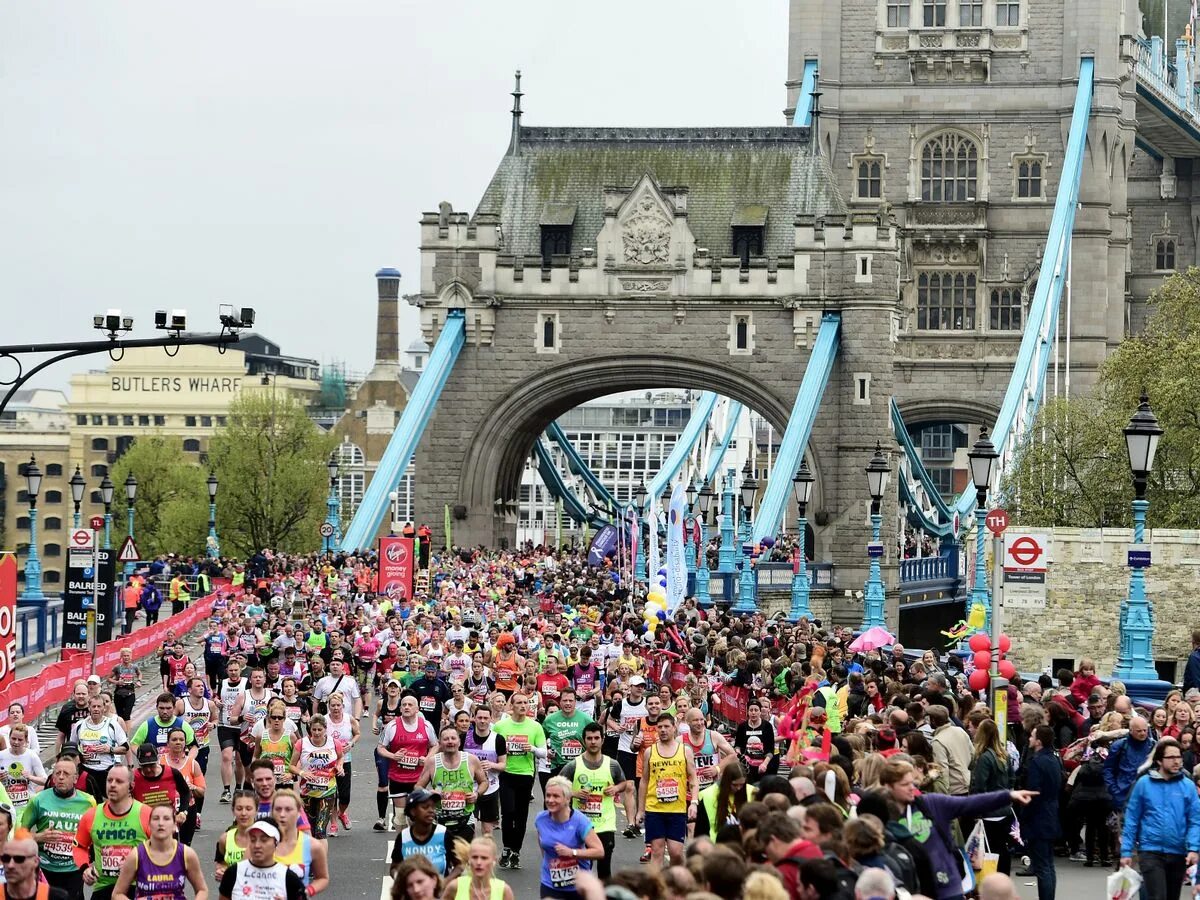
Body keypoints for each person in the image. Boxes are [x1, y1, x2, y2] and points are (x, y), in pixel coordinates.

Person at [878, 758, 1036, 900]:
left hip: (947, 885)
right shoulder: (880, 813)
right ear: (887, 786)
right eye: (905, 785)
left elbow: (970, 803)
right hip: (911, 889)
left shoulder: (931, 803)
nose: (912, 788)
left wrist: (1008, 796)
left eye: (913, 783)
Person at [1120, 736, 1200, 900]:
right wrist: (1126, 851)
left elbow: (1195, 819)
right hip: (1150, 851)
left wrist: (1193, 848)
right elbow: (1132, 819)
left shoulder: (1188, 786)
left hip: (1178, 851)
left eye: (1178, 757)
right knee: (1158, 896)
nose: (1176, 761)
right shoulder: (1144, 784)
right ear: (1159, 761)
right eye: (1171, 757)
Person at [559, 721, 628, 879]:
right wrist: (575, 793)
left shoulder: (612, 764)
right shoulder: (573, 765)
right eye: (589, 738)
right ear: (584, 740)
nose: (593, 741)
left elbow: (624, 783)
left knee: (604, 869)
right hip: (580, 825)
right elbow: (556, 787)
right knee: (583, 870)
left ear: (602, 740)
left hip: (605, 824)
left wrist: (616, 789)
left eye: (596, 738)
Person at [19, 756, 95, 897]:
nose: (61, 777)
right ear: (52, 777)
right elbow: (19, 836)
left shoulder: (89, 802)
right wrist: (38, 837)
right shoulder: (38, 800)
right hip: (45, 868)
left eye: (66, 774)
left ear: (75, 778)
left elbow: (95, 836)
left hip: (74, 869)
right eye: (57, 773)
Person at [74, 766, 152, 900]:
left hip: (139, 888)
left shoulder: (146, 814)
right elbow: (79, 846)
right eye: (109, 780)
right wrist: (85, 868)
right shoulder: (91, 815)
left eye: (119, 781)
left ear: (131, 786)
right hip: (104, 887)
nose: (113, 785)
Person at [493, 693, 547, 870]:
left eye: (526, 703)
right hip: (507, 773)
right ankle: (507, 847)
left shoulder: (535, 726)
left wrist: (531, 748)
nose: (523, 706)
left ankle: (516, 851)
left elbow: (543, 752)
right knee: (508, 813)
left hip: (526, 774)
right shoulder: (501, 726)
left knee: (521, 816)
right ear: (512, 706)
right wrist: (502, 750)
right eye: (519, 703)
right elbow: (491, 747)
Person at [636, 712, 697, 871]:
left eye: (666, 727)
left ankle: (679, 883)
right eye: (660, 727)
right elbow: (644, 781)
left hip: (677, 809)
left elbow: (693, 779)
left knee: (676, 852)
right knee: (657, 851)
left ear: (674, 727)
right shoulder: (650, 752)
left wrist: (694, 803)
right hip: (654, 808)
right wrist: (640, 810)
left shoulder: (685, 751)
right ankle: (656, 890)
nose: (663, 730)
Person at [111, 802, 208, 900]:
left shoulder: (186, 854)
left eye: (166, 818)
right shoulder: (136, 855)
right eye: (156, 818)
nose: (161, 823)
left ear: (175, 825)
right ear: (149, 824)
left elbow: (202, 890)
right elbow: (117, 894)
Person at [416, 726, 489, 851]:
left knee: (462, 860)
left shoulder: (471, 760)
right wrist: (429, 794)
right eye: (446, 739)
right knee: (442, 860)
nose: (450, 741)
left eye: (453, 738)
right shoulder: (432, 762)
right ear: (440, 743)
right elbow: (417, 788)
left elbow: (484, 782)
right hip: (439, 820)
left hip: (465, 818)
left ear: (459, 742)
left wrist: (476, 794)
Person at [535, 776, 603, 900]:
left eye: (556, 796)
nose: (550, 800)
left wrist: (572, 852)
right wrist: (551, 862)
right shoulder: (540, 819)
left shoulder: (580, 821)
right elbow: (542, 841)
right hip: (550, 883)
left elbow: (599, 851)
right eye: (548, 795)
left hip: (578, 886)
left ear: (567, 799)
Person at [380, 695, 439, 832]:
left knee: (417, 816)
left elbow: (435, 745)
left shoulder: (426, 725)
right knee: (400, 816)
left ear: (417, 709)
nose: (406, 707)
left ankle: (416, 844)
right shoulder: (392, 726)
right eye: (404, 705)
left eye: (410, 705)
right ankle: (402, 845)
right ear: (400, 708)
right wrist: (393, 756)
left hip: (419, 779)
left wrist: (427, 758)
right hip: (397, 777)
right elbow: (380, 748)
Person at [1019, 725, 1061, 900]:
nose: (1029, 739)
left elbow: (1033, 792)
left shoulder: (1037, 762)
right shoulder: (1054, 759)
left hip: (1039, 818)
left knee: (1042, 866)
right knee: (1048, 865)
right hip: (1051, 814)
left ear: (1039, 741)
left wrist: (1024, 816)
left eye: (1032, 736)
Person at [217, 817, 306, 900]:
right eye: (253, 839)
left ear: (276, 843)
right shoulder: (233, 873)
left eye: (264, 840)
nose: (257, 845)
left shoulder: (289, 878)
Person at [967, 719, 1012, 875]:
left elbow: (979, 786)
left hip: (989, 811)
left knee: (988, 850)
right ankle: (1004, 879)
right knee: (1002, 848)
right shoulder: (1005, 755)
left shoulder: (984, 758)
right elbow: (1012, 780)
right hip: (1004, 809)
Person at [132, 742, 192, 843]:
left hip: (167, 826)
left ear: (158, 760)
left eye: (152, 765)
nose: (148, 769)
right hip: (142, 827)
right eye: (144, 765)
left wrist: (183, 812)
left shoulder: (172, 773)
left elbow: (185, 792)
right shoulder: (133, 777)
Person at [271, 790, 329, 894]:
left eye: (288, 809)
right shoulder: (259, 844)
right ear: (272, 812)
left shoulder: (312, 846)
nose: (282, 814)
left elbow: (322, 878)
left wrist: (306, 892)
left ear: (299, 813)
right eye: (278, 809)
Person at [463, 706, 507, 840]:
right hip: (468, 789)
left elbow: (503, 765)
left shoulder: (498, 739)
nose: (482, 721)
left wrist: (491, 764)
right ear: (474, 719)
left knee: (487, 829)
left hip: (490, 788)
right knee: (469, 827)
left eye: (485, 718)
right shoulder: (464, 737)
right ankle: (470, 858)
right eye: (480, 718)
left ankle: (487, 858)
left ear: (490, 719)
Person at [390, 788, 453, 879]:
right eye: (425, 807)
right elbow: (394, 867)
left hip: (440, 892)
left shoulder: (443, 834)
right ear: (413, 811)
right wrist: (401, 880)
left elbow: (460, 865)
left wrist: (446, 883)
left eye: (433, 806)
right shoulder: (403, 837)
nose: (431, 810)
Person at [159, 728, 206, 845]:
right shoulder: (159, 762)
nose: (178, 742)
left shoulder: (192, 764)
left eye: (181, 739)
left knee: (185, 846)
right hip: (166, 810)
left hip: (188, 809)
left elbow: (201, 792)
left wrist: (192, 787)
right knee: (167, 845)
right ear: (168, 743)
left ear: (185, 743)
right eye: (174, 739)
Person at [323, 690, 359, 835]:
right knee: (332, 794)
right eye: (333, 705)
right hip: (329, 761)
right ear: (329, 706)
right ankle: (333, 824)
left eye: (338, 705)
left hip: (346, 759)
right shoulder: (324, 720)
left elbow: (357, 733)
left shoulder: (349, 719)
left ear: (342, 706)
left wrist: (351, 743)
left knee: (345, 796)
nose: (336, 708)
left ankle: (342, 813)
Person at [440, 836, 514, 900]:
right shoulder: (455, 887)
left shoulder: (504, 891)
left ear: (494, 861)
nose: (478, 862)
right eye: (475, 857)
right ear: (469, 860)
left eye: (484, 858)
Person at [215, 657, 247, 803]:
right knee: (227, 757)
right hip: (225, 725)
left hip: (241, 726)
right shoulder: (222, 682)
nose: (233, 673)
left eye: (236, 670)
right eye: (231, 670)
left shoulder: (246, 683)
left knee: (239, 760)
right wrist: (216, 701)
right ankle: (226, 789)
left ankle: (238, 787)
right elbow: (216, 696)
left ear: (240, 670)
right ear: (227, 671)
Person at [0, 725, 45, 818]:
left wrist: (30, 777)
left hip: (25, 807)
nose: (16, 742)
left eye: (20, 740)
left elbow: (45, 780)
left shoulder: (31, 756)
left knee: (21, 832)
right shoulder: (2, 755)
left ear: (26, 741)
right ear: (9, 738)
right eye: (13, 738)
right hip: (5, 808)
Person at [214, 789, 257, 881]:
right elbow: (221, 863)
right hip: (232, 894)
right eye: (239, 808)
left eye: (248, 809)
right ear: (233, 811)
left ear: (256, 810)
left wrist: (232, 876)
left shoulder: (266, 839)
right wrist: (221, 871)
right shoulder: (225, 839)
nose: (243, 813)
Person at [109, 648, 143, 733]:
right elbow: (108, 678)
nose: (126, 657)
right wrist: (117, 682)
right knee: (120, 715)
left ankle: (126, 734)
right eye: (124, 656)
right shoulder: (117, 667)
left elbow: (140, 673)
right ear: (121, 657)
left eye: (128, 656)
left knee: (127, 715)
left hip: (130, 694)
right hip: (119, 694)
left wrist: (139, 681)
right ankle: (120, 732)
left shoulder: (134, 667)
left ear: (131, 656)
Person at [53, 681, 90, 753]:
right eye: (78, 694)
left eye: (83, 694)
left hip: (90, 752)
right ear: (73, 695)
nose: (81, 696)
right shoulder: (66, 711)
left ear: (88, 695)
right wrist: (58, 756)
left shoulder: (94, 710)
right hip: (72, 752)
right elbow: (61, 736)